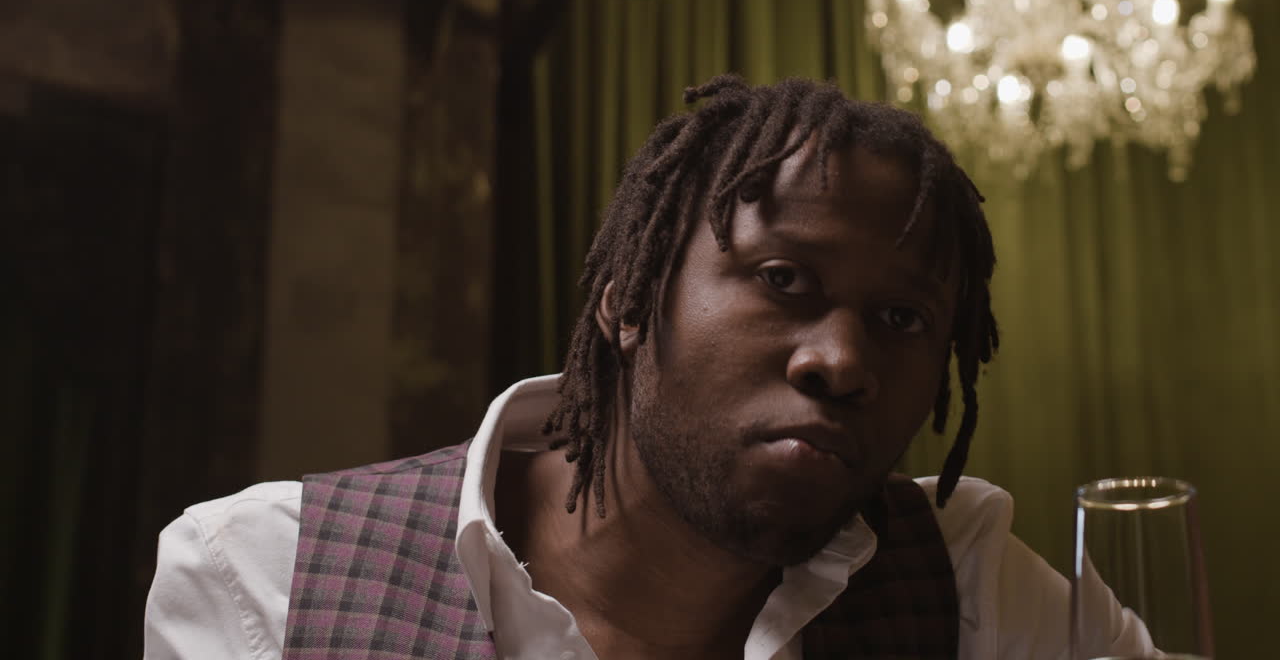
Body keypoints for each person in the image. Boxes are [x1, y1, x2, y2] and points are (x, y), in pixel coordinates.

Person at [143, 76, 1153, 659]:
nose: (842, 360)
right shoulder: (259, 581)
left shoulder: (967, 583)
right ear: (626, 296)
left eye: (899, 317)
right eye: (782, 278)